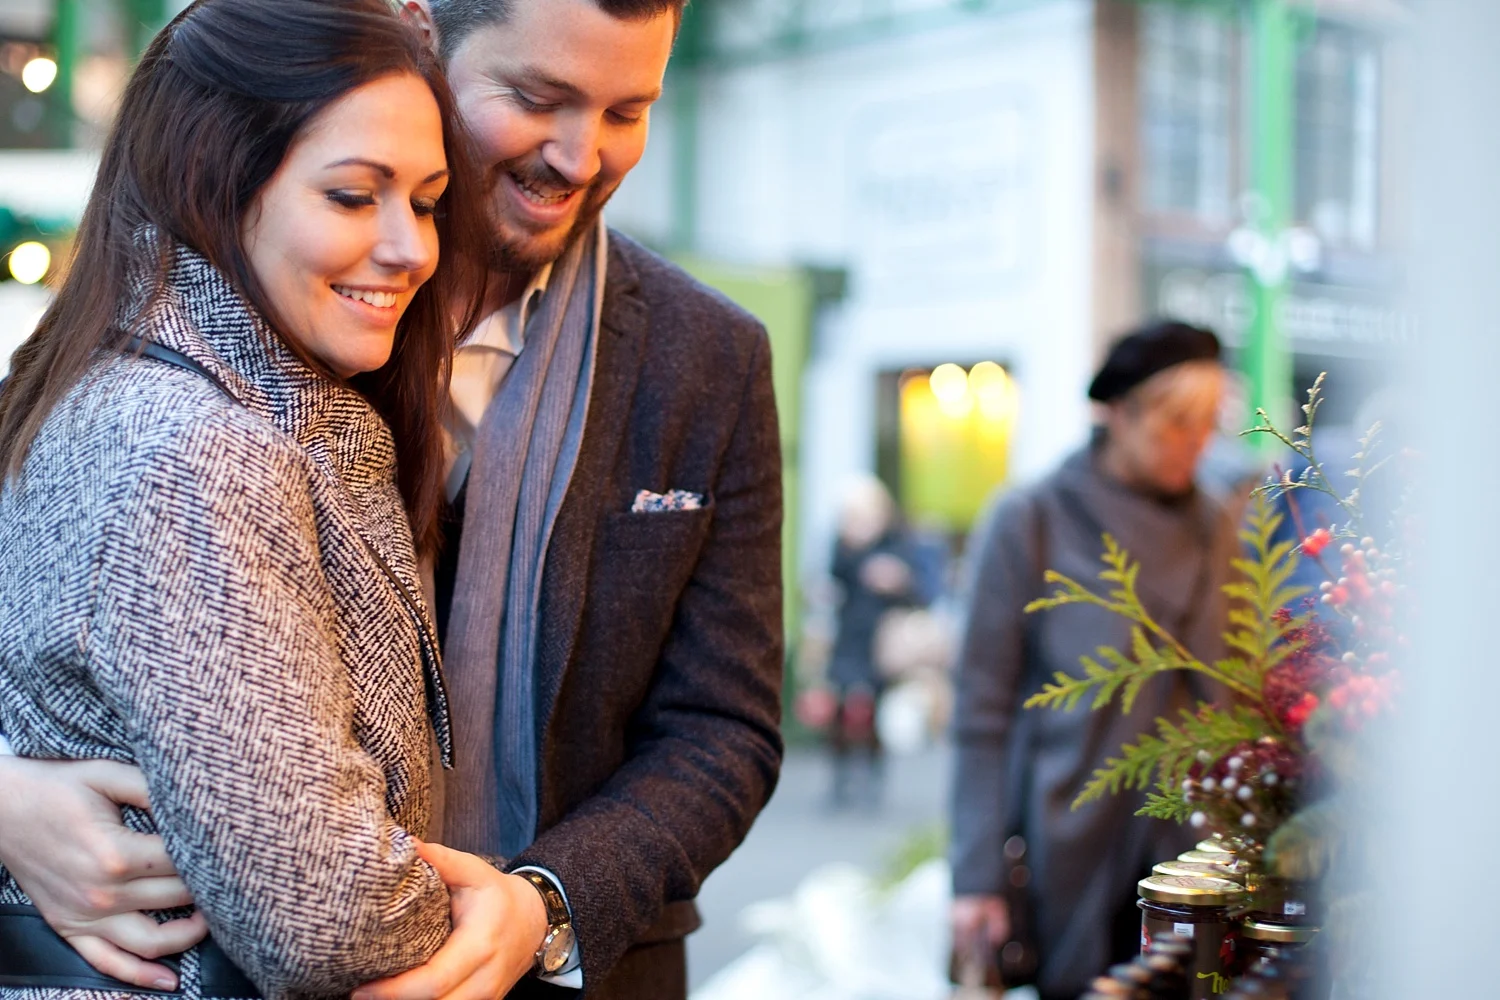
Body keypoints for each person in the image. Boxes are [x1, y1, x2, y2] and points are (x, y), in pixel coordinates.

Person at [0, 2, 786, 998]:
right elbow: (46, 609)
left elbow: (725, 726)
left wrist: (541, 904)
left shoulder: (707, 355)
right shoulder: (256, 329)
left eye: (628, 112)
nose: (581, 157)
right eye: (537, 98)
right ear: (422, 32)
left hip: (589, 964)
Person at [0, 0, 542, 995]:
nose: (411, 247)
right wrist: (492, 905)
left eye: (425, 201)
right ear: (215, 183)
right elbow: (327, 915)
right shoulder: (201, 450)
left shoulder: (130, 389)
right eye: (351, 195)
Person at [948, 321, 1238, 1000]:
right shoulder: (1031, 519)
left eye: (1206, 424)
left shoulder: (1219, 526)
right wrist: (976, 877)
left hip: (1187, 854)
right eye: (1174, 423)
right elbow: (980, 713)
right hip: (1062, 845)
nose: (1194, 442)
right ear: (1116, 413)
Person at [825, 476, 921, 808]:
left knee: (875, 710)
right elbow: (834, 577)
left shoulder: (896, 544)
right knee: (841, 706)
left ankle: (874, 776)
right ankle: (840, 778)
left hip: (880, 641)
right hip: (849, 635)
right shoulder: (843, 545)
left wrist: (896, 581)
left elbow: (917, 591)